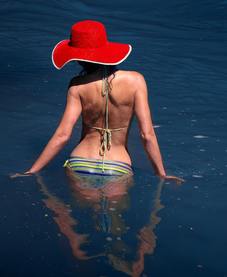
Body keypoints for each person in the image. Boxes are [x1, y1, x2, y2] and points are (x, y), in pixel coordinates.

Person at [11, 20, 182, 182]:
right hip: (117, 167)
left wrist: (31, 172)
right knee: (117, 204)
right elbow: (147, 135)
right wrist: (161, 174)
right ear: (107, 50)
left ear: (78, 58)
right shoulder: (136, 81)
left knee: (72, 205)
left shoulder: (77, 85)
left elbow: (62, 136)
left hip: (79, 163)